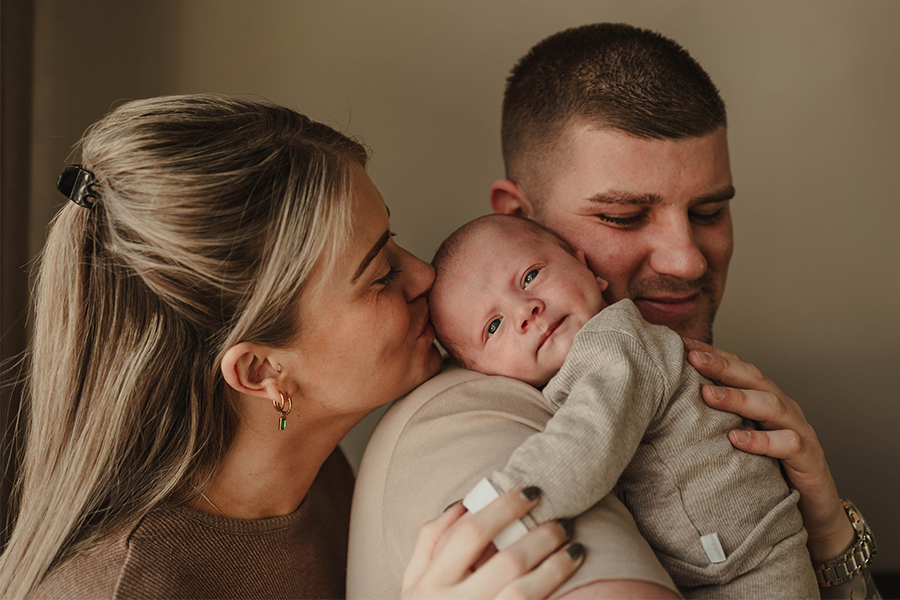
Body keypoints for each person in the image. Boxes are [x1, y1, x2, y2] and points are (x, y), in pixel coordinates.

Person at [348, 23, 880, 600]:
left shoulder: (676, 373)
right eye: (624, 217)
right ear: (522, 216)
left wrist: (827, 532)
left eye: (707, 212)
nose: (687, 261)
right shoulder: (474, 423)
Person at [0, 95, 585, 600]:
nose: (423, 275)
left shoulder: (316, 473)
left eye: (394, 240)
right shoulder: (125, 588)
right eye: (379, 273)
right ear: (261, 370)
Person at [428, 213, 819, 598]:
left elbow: (588, 441)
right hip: (712, 563)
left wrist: (493, 509)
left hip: (754, 563)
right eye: (493, 326)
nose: (524, 309)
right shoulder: (544, 385)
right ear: (483, 371)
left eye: (530, 276)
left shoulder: (617, 341)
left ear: (588, 271)